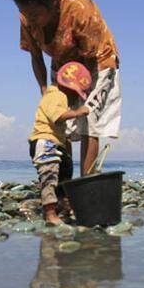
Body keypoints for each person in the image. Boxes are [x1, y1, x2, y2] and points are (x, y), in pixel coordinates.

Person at [8, 0, 122, 177]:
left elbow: (89, 58)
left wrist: (78, 98)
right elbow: (35, 56)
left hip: (97, 62)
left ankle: (87, 182)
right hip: (62, 66)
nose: (29, 20)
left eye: (34, 15)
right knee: (60, 124)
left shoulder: (79, 8)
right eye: (25, 14)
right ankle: (64, 185)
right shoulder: (26, 18)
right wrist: (46, 90)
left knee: (90, 122)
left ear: (52, 1)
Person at [29, 61, 92, 225]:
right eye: (75, 93)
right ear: (68, 87)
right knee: (49, 175)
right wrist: (78, 112)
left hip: (56, 143)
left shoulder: (58, 95)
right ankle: (50, 213)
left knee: (65, 172)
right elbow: (57, 116)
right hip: (45, 142)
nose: (75, 98)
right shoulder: (56, 95)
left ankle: (65, 205)